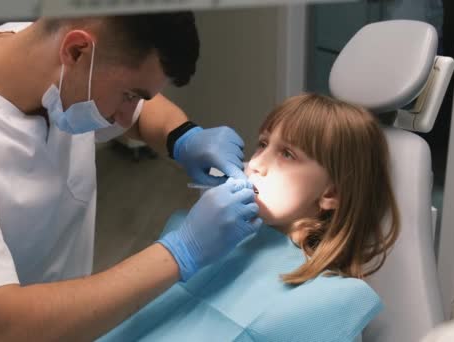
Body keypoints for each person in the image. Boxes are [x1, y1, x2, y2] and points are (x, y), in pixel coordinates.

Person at [0, 13, 262, 341]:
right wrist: (183, 252)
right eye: (129, 95)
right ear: (76, 51)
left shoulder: (52, 60)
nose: (130, 116)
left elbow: (146, 110)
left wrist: (183, 137)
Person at [100, 94, 401, 341]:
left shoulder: (329, 301)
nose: (256, 164)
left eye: (287, 154)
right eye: (263, 143)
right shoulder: (208, 239)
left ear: (331, 193)